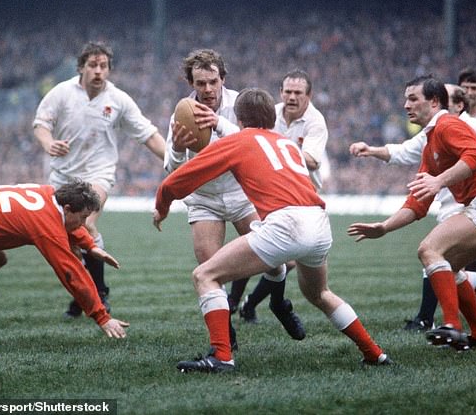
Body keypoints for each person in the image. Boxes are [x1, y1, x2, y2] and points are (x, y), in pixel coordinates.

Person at [154, 88, 391, 372]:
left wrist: (162, 207)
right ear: (272, 116)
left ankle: (222, 356)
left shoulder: (238, 141)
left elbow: (177, 181)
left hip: (285, 224)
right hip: (318, 221)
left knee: (205, 275)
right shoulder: (287, 142)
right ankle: (375, 353)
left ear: (239, 119)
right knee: (320, 294)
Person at [348, 75, 476, 351]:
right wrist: (384, 227)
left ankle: (451, 326)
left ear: (434, 101)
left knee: (429, 249)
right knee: (450, 267)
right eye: (405, 99)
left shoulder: (448, 123)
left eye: (413, 98)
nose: (406, 105)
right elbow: (418, 204)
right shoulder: (431, 142)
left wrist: (439, 181)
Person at [164, 49, 304, 345]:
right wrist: (177, 149)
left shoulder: (241, 105)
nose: (207, 89)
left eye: (213, 82)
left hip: (242, 193)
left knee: (276, 261)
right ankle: (225, 335)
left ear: (223, 79)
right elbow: (172, 170)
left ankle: (279, 304)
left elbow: (260, 142)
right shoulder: (183, 112)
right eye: (200, 83)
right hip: (205, 197)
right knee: (209, 270)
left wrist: (217, 124)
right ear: (191, 82)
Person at [33, 41, 166, 318]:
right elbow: (41, 124)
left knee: (87, 224)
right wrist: (48, 144)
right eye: (92, 65)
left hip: (99, 174)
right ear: (81, 67)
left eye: (103, 66)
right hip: (62, 177)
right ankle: (83, 296)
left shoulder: (118, 100)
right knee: (69, 240)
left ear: (109, 69)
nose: (98, 71)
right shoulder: (61, 93)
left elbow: (148, 135)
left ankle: (100, 293)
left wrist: (174, 164)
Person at [0, 180, 128, 338]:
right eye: (83, 217)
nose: (83, 223)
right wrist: (102, 317)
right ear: (67, 209)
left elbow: (65, 223)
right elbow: (71, 273)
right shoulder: (47, 226)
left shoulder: (49, 193)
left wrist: (90, 246)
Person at [232, 69, 328, 326]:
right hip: (270, 192)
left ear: (309, 95)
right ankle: (247, 302)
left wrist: (278, 146)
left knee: (286, 260)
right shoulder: (271, 114)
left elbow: (313, 161)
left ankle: (250, 303)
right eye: (287, 92)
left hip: (301, 195)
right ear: (280, 93)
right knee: (255, 247)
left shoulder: (315, 122)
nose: (292, 97)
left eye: (298, 93)